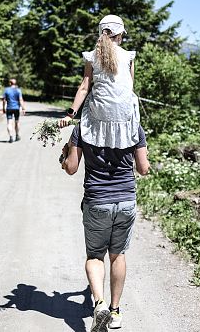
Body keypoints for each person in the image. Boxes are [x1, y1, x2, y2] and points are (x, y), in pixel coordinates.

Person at [61, 122, 150, 331]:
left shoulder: (83, 127)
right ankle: (115, 312)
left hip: (97, 201)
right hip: (125, 200)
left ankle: (99, 303)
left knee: (95, 256)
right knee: (117, 255)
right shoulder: (132, 126)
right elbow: (143, 168)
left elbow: (71, 168)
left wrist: (64, 157)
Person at [59, 15, 140, 150]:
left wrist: (69, 115)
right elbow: (130, 88)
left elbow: (84, 87)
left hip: (99, 115)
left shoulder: (92, 56)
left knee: (91, 100)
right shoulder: (129, 57)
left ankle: (69, 149)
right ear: (119, 35)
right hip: (124, 117)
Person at [2, 78, 26, 143]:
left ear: (10, 83)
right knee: (17, 122)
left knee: (9, 122)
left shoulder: (6, 90)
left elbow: (4, 100)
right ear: (15, 83)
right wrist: (23, 108)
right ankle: (17, 135)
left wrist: (3, 108)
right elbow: (20, 100)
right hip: (16, 108)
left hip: (9, 108)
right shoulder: (18, 90)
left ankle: (11, 137)